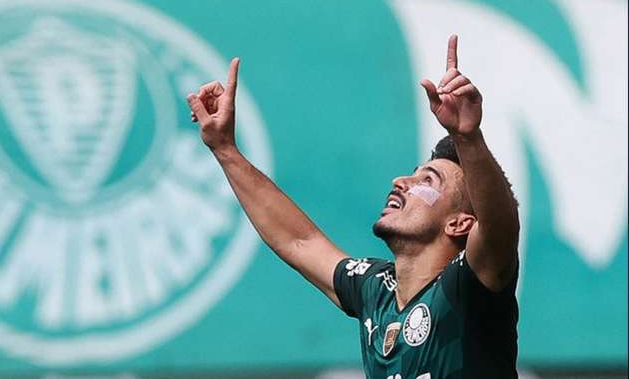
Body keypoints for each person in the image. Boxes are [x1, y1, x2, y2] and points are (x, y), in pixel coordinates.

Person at [186, 35, 519, 379]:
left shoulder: (470, 285)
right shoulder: (376, 289)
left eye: (428, 181)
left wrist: (468, 137)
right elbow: (299, 241)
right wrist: (225, 149)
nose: (400, 181)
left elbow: (500, 228)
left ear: (459, 224)